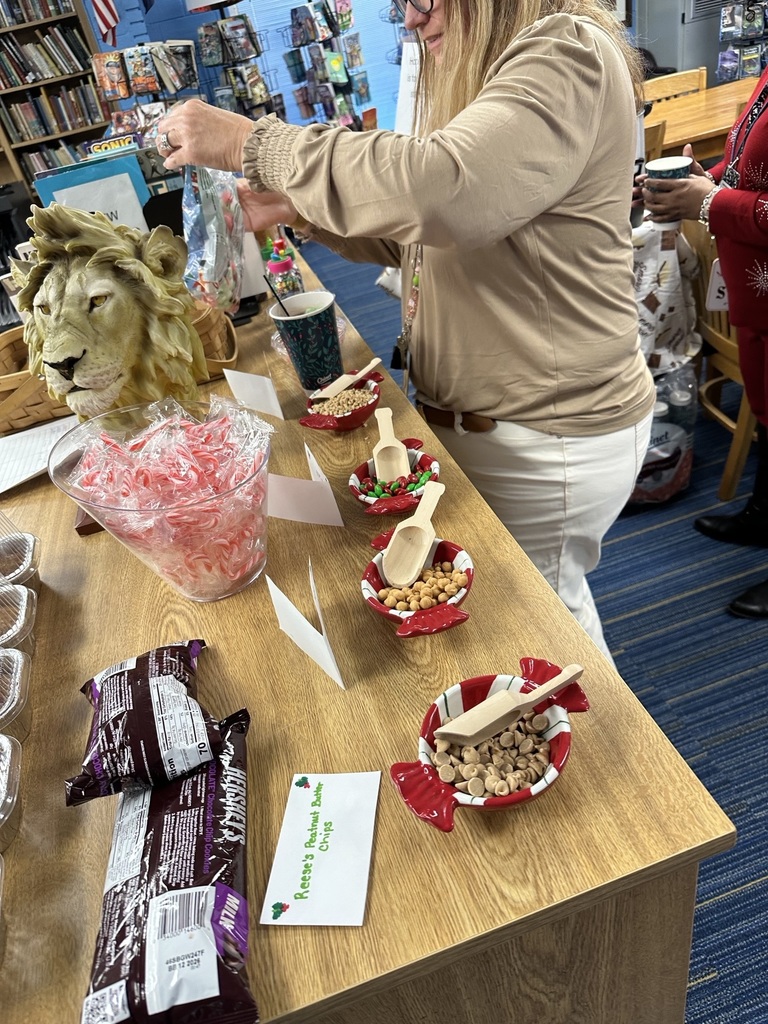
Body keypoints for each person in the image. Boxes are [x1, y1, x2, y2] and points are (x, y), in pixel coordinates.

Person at [157, 0, 655, 660]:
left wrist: (254, 145)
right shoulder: (507, 73)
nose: (412, 19)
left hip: (544, 436)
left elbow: (443, 192)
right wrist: (300, 208)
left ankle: (588, 723)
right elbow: (424, 241)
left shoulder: (568, 53)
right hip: (512, 425)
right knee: (537, 601)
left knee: (540, 619)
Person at [641, 65, 768, 619]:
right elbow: (750, 167)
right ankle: (764, 515)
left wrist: (710, 201)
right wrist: (704, 179)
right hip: (756, 294)